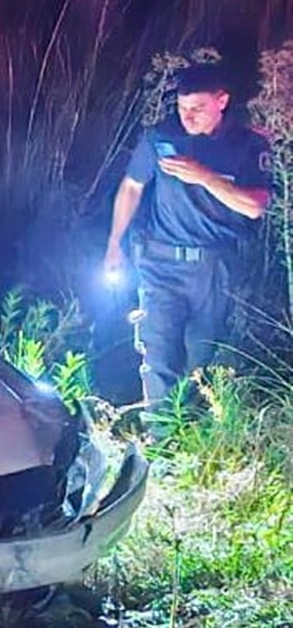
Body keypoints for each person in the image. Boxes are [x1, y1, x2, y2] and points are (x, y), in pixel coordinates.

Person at [102, 62, 271, 414]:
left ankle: (192, 437)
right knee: (158, 355)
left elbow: (254, 206)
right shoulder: (162, 138)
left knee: (200, 358)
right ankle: (161, 446)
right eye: (182, 108)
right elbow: (132, 187)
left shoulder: (249, 145)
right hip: (160, 263)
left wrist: (206, 177)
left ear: (221, 101)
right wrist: (114, 244)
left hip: (214, 268)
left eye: (198, 108)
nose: (188, 117)